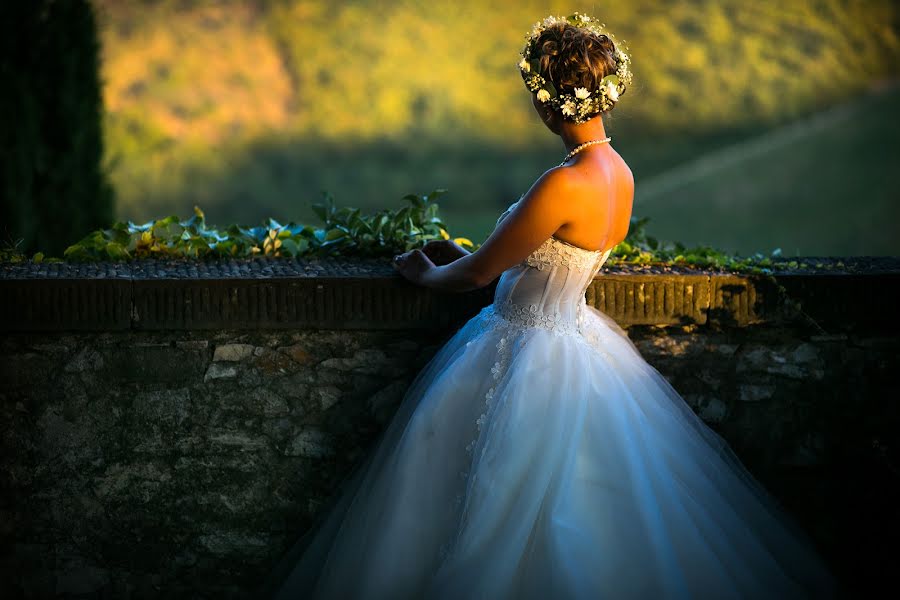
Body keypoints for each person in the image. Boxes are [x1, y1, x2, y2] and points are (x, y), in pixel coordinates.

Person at [264, 13, 837, 599]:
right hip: (576, 337)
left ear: (547, 104)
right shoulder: (619, 172)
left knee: (479, 499)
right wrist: (468, 253)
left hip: (523, 346)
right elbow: (543, 255)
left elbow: (483, 273)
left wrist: (428, 272)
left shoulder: (564, 183)